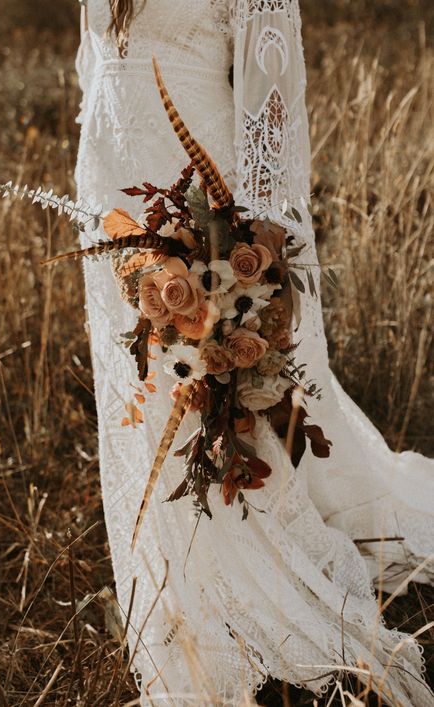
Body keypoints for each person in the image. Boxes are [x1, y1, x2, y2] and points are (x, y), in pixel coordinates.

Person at [74, 1, 434, 704]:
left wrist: (256, 236)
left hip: (198, 179)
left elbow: (271, 90)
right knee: (139, 378)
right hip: (114, 180)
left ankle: (237, 567)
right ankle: (164, 563)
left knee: (212, 380)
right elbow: (95, 63)